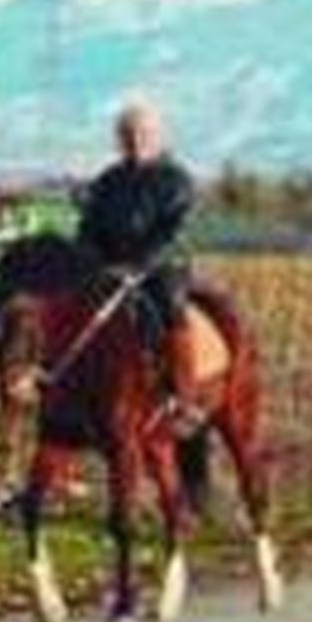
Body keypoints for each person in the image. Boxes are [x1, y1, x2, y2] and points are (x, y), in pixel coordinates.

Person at [76, 101, 199, 423]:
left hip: (163, 266)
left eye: (143, 134)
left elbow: (174, 231)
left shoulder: (176, 180)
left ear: (157, 136)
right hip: (112, 267)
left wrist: (140, 266)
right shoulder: (108, 181)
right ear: (119, 140)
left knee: (169, 304)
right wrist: (88, 258)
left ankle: (183, 393)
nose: (135, 141)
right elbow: (89, 226)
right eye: (128, 135)